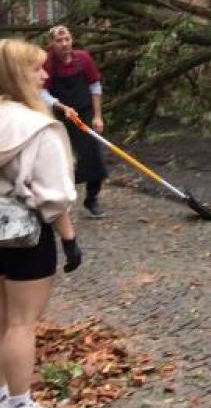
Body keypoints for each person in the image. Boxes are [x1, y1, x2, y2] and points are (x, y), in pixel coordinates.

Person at [0, 39, 82, 408]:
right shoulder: (39, 129)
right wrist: (70, 240)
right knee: (20, 323)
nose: (45, 74)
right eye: (35, 68)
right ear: (17, 75)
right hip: (26, 240)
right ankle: (19, 402)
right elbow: (54, 197)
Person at [41, 27, 106, 218]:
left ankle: (92, 200)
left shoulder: (84, 59)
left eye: (67, 39)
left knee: (95, 157)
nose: (64, 44)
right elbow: (41, 93)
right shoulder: (47, 63)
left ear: (72, 40)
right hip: (58, 117)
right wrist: (62, 107)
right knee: (61, 161)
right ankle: (59, 203)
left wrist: (97, 116)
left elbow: (95, 86)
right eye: (59, 41)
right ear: (51, 44)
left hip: (84, 114)